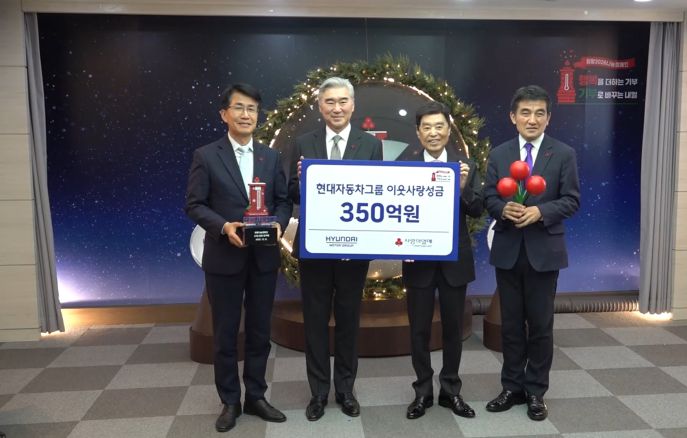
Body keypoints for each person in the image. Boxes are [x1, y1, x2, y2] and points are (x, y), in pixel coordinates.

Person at [185, 83, 292, 432]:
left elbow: (283, 201)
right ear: (224, 114)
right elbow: (194, 204)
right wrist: (223, 226)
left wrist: (278, 222)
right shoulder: (206, 155)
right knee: (226, 333)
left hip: (263, 258)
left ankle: (256, 396)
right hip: (224, 258)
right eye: (239, 108)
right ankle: (230, 400)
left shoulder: (270, 156)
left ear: (258, 115)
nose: (246, 115)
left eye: (252, 109)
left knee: (260, 331)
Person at [287, 77, 383, 421]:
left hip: (354, 248)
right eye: (330, 102)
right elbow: (291, 193)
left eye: (343, 101)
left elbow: (378, 189)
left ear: (353, 105)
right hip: (314, 247)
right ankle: (318, 392)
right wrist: (301, 182)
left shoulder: (370, 144)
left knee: (348, 320)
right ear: (320, 106)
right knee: (314, 321)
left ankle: (345, 389)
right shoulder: (303, 143)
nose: (337, 108)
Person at [483, 85, 580, 421]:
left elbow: (571, 200)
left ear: (548, 118)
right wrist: (502, 209)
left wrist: (541, 211)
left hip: (544, 251)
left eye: (540, 113)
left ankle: (536, 391)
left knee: (540, 325)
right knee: (510, 325)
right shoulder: (499, 154)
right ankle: (511, 387)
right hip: (508, 249)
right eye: (525, 112)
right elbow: (488, 197)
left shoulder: (563, 153)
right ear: (513, 117)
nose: (532, 119)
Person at [399, 101, 483, 420]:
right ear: (418, 132)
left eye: (439, 126)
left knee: (453, 329)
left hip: (453, 262)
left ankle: (450, 391)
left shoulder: (465, 166)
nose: (433, 133)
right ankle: (422, 391)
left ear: (449, 130)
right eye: (427, 127)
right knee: (418, 330)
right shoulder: (405, 165)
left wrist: (461, 189)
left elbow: (477, 210)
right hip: (418, 261)